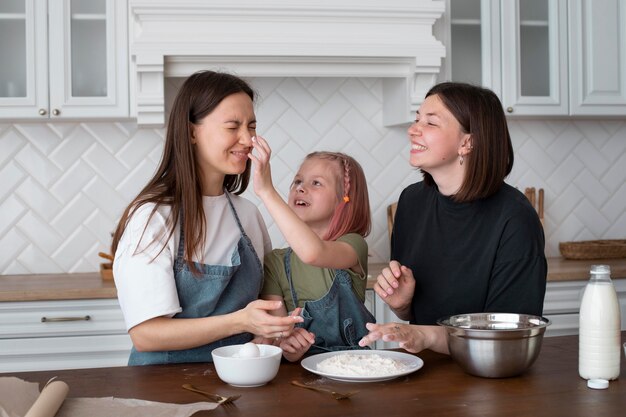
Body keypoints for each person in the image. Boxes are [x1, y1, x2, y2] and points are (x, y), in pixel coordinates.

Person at [111, 70, 302, 365]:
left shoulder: (247, 214)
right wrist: (240, 322)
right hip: (163, 387)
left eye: (251, 126)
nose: (248, 139)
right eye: (232, 126)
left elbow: (265, 308)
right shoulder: (153, 217)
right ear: (191, 132)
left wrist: (277, 333)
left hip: (241, 378)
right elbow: (146, 334)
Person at [359, 82, 547, 355]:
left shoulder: (515, 220)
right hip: (424, 372)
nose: (413, 129)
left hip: (490, 382)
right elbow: (419, 312)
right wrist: (402, 304)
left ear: (467, 142)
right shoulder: (412, 202)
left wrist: (424, 335)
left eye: (431, 123)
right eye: (416, 119)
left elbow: (507, 338)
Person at [249, 137, 375, 362]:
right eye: (298, 181)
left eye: (316, 183)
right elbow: (277, 336)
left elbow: (313, 253)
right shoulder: (275, 263)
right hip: (298, 376)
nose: (300, 187)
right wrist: (287, 345)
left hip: (354, 368)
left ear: (344, 199)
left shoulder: (353, 245)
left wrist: (268, 191)